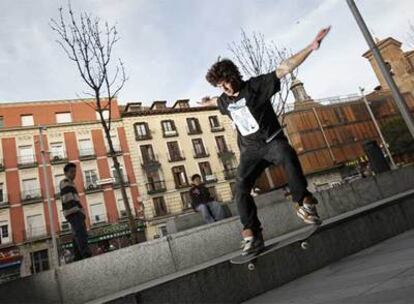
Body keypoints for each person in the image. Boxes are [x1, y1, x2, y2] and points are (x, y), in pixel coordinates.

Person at [200, 27, 331, 255]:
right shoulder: (223, 100)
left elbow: (284, 67)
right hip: (250, 151)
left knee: (287, 154)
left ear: (235, 76)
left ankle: (305, 203)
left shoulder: (256, 86)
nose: (227, 89)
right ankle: (252, 234)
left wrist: (311, 47)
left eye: (228, 82)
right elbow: (214, 101)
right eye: (221, 86)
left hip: (271, 142)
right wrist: (206, 101)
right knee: (240, 188)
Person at [60, 162, 91, 261]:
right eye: (71, 172)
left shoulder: (70, 183)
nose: (74, 174)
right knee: (81, 232)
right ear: (66, 173)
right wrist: (79, 212)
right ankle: (85, 253)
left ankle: (78, 256)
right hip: (73, 212)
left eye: (75, 172)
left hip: (74, 212)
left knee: (76, 234)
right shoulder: (65, 182)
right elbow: (68, 199)